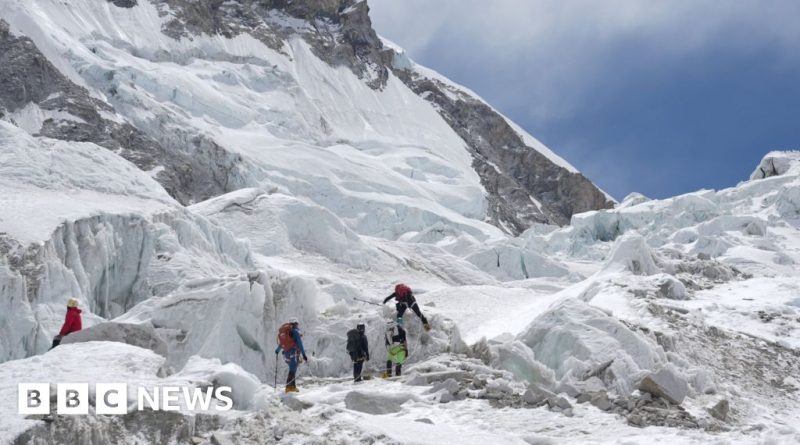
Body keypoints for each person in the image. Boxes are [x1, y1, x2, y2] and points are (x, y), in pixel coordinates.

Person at [275, 317, 307, 393]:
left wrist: (277, 350)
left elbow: (282, 343)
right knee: (293, 369)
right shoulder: (295, 332)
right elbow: (299, 343)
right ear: (296, 323)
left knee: (293, 369)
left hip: (286, 353)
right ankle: (288, 387)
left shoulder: (286, 332)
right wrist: (303, 354)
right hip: (293, 352)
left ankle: (292, 387)